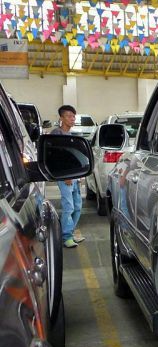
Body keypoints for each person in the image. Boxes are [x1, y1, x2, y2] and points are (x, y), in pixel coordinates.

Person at [50, 105, 84, 248]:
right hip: (65, 176)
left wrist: (79, 175)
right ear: (61, 118)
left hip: (73, 176)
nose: (72, 119)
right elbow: (56, 157)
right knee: (69, 207)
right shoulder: (57, 133)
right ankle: (66, 237)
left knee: (77, 206)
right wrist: (66, 176)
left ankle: (69, 232)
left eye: (73, 116)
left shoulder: (69, 134)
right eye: (69, 116)